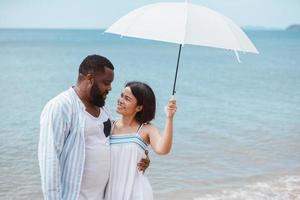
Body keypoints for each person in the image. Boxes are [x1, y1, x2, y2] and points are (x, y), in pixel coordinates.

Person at [38, 55, 149, 200]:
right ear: (90, 79)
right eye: (106, 82)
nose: (110, 88)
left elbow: (120, 141)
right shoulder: (61, 106)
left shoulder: (104, 110)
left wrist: (141, 155)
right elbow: (49, 159)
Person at [105, 81, 177, 200]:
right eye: (122, 95)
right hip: (110, 191)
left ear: (139, 107)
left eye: (127, 98)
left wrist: (169, 118)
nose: (120, 100)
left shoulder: (146, 129)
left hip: (136, 192)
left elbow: (163, 149)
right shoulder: (109, 125)